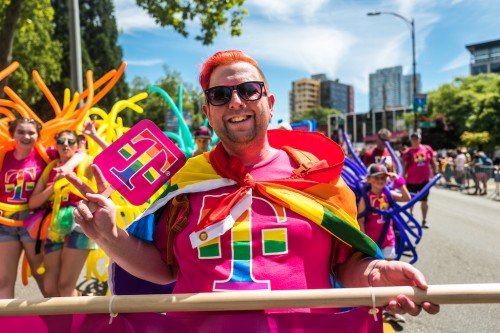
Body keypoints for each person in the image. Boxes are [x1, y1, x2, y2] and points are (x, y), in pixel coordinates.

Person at [67, 50, 439, 330]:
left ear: (269, 102)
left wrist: (376, 275)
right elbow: (163, 270)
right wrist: (110, 236)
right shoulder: (185, 183)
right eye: (220, 95)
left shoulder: (317, 177)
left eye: (248, 90)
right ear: (208, 113)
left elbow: (346, 266)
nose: (235, 101)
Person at [0, 118, 85, 299]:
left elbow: (78, 153)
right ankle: (6, 325)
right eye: (21, 132)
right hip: (5, 222)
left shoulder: (45, 155)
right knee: (4, 280)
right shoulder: (3, 156)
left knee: (43, 276)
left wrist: (69, 164)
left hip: (34, 221)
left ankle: (58, 320)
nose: (26, 136)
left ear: (38, 137)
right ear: (12, 134)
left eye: (31, 133)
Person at [28, 130, 97, 297]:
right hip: (55, 225)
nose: (65, 144)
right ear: (56, 144)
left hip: (79, 222)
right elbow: (33, 202)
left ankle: (77, 321)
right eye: (61, 140)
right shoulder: (51, 168)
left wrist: (93, 136)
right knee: (50, 288)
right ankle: (78, 302)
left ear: (78, 145)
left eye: (71, 141)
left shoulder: (85, 163)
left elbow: (105, 159)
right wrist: (54, 186)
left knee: (65, 286)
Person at [357, 163, 411, 324]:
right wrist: (364, 241)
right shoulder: (366, 197)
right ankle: (372, 306)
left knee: (390, 275)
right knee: (373, 276)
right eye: (377, 178)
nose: (380, 181)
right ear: (369, 180)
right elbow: (360, 220)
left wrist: (399, 182)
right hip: (373, 242)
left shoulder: (388, 193)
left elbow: (407, 198)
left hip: (388, 240)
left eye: (383, 177)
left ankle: (391, 309)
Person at [402, 132, 438, 229]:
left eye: (416, 138)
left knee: (424, 200)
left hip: (424, 180)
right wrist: (402, 177)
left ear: (420, 139)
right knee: (411, 200)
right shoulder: (408, 152)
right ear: (411, 140)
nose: (415, 140)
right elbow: (405, 165)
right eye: (413, 139)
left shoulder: (427, 149)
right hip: (411, 180)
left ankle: (424, 219)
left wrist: (436, 172)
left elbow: (433, 161)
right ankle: (411, 215)